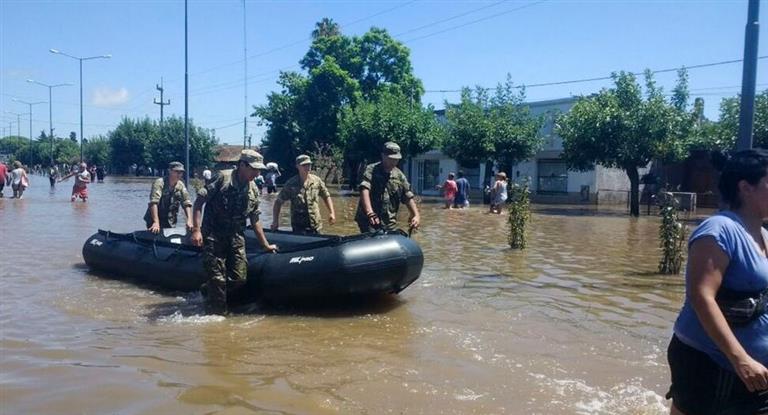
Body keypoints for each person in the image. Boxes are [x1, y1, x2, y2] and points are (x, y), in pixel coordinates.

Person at [667, 149, 768, 415]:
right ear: (746, 187)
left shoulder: (764, 236)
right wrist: (740, 359)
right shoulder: (719, 230)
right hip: (711, 362)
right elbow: (701, 297)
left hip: (756, 370)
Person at [190, 149, 278, 314]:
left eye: (259, 170)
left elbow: (255, 218)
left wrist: (265, 245)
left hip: (235, 236)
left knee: (239, 278)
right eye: (254, 168)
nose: (257, 173)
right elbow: (199, 202)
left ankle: (208, 289)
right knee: (218, 280)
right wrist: (196, 230)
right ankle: (219, 317)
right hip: (213, 234)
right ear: (242, 165)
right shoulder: (222, 178)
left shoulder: (253, 188)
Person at [355, 141, 420, 233]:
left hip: (389, 222)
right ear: (383, 156)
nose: (393, 162)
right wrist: (370, 213)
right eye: (390, 159)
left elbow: (407, 196)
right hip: (369, 220)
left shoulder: (400, 175)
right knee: (373, 242)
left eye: (396, 159)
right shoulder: (371, 170)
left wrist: (415, 215)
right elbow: (364, 190)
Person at [271, 154, 336, 234]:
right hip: (299, 227)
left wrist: (332, 213)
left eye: (309, 164)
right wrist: (275, 221)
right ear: (297, 166)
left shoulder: (317, 181)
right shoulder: (291, 184)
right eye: (304, 165)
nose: (307, 167)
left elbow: (326, 196)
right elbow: (278, 202)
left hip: (316, 225)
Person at [143, 161, 193, 234]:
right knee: (156, 237)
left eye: (181, 172)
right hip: (155, 219)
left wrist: (189, 221)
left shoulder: (181, 185)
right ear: (170, 171)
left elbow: (186, 203)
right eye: (176, 171)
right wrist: (156, 222)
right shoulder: (159, 183)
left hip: (170, 220)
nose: (179, 174)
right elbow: (154, 203)